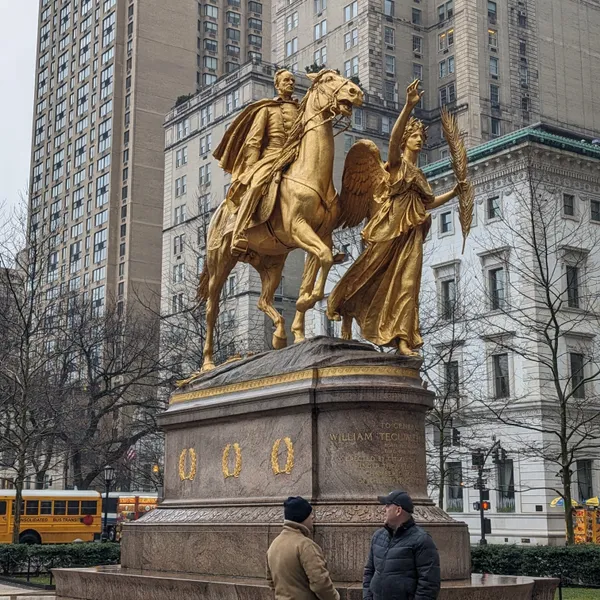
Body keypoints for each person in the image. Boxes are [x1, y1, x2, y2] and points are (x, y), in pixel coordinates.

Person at [327, 80, 461, 356]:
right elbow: (391, 138)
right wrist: (409, 105)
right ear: (404, 140)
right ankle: (346, 307)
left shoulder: (419, 175)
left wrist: (454, 192)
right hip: (388, 231)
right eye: (414, 136)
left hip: (411, 235)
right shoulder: (396, 165)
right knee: (368, 273)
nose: (420, 139)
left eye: (421, 137)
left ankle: (402, 338)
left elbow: (428, 202)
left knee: (408, 285)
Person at [213, 69, 300, 256]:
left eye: (293, 80)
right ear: (277, 85)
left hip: (296, 156)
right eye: (286, 80)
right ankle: (240, 231)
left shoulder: (300, 110)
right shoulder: (266, 109)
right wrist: (252, 167)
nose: (291, 83)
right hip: (272, 157)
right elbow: (254, 140)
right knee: (256, 186)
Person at [363, 490, 440, 600]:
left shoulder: (422, 540)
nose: (383, 509)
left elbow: (429, 584)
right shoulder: (378, 536)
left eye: (388, 505)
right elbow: (369, 572)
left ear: (398, 510)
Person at [266, 496, 340, 600]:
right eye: (310, 514)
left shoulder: (274, 545)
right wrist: (334, 597)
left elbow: (271, 581)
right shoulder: (306, 545)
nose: (312, 517)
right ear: (302, 516)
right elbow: (320, 582)